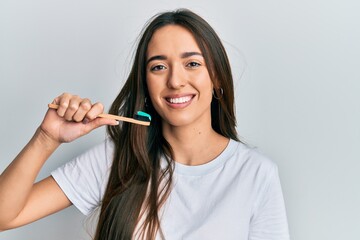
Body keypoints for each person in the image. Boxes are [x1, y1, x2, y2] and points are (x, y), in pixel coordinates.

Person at [0, 9, 290, 240]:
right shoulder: (119, 158)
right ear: (145, 83)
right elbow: (4, 216)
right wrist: (46, 138)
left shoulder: (256, 173)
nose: (175, 81)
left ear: (216, 77)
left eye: (192, 64)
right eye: (158, 67)